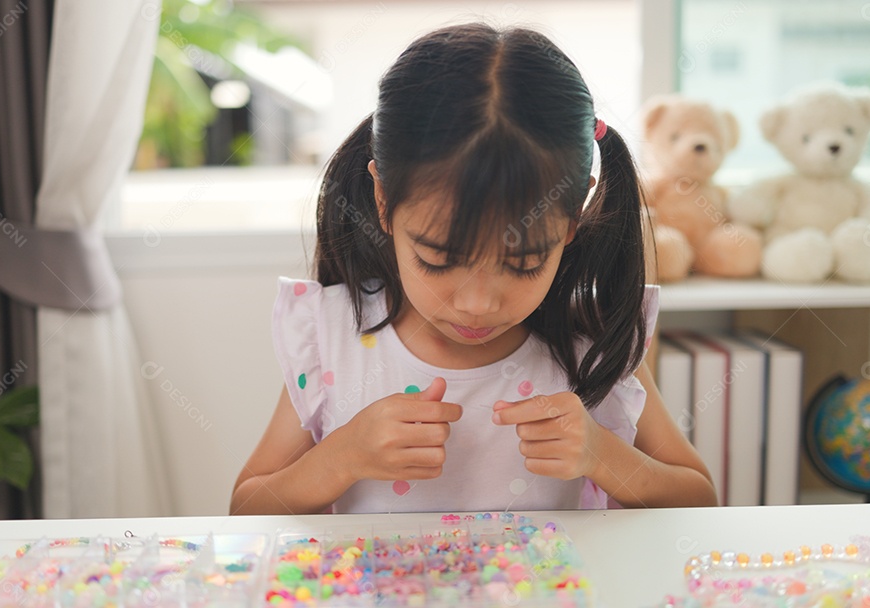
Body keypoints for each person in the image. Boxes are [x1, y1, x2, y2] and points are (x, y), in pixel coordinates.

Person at [231, 22, 717, 515]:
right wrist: (341, 457)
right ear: (382, 200)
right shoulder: (331, 335)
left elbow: (698, 498)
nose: (477, 303)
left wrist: (601, 454)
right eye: (437, 260)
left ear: (571, 220)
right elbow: (246, 510)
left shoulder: (592, 339)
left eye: (524, 263)